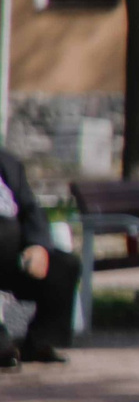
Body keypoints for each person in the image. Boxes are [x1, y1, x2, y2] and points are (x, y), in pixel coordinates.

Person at [0, 140, 78, 365]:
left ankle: (40, 342)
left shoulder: (7, 163)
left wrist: (38, 245)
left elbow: (32, 210)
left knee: (63, 266)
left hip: (13, 255)